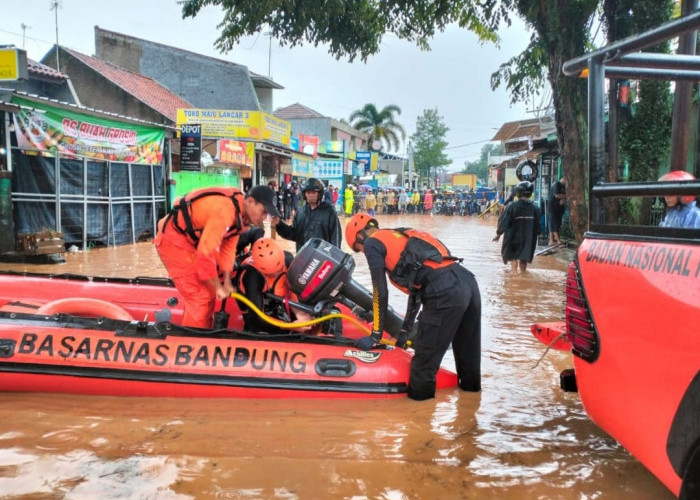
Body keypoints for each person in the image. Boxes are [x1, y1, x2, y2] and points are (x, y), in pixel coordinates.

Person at [345, 213, 482, 400]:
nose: (363, 252)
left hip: (445, 292)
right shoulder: (399, 236)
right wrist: (403, 335)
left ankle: (419, 423)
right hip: (467, 282)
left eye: (358, 249)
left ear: (360, 237)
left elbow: (379, 292)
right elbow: (417, 292)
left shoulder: (372, 243)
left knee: (422, 368)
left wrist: (375, 335)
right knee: (468, 361)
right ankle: (471, 409)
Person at [154, 185, 281, 328]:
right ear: (250, 202)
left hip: (191, 241)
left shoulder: (240, 216)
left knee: (207, 293)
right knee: (199, 297)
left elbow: (228, 248)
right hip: (174, 241)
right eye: (263, 212)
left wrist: (226, 280)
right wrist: (218, 287)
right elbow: (205, 254)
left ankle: (202, 333)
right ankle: (192, 344)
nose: (264, 218)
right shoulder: (226, 211)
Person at [235, 237, 312, 333]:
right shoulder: (252, 277)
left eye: (279, 270)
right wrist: (290, 326)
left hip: (279, 303)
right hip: (258, 314)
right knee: (255, 325)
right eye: (272, 274)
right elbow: (257, 317)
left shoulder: (288, 259)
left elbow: (292, 288)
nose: (276, 275)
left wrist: (298, 312)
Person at [275, 177, 342, 251]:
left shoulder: (329, 212)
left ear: (319, 194)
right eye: (308, 193)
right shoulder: (301, 212)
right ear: (304, 194)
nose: (310, 195)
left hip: (323, 259)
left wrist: (335, 258)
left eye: (313, 192)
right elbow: (294, 234)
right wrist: (279, 224)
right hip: (304, 258)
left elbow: (336, 238)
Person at [493, 181, 541, 273]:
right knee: (524, 259)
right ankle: (522, 277)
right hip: (528, 239)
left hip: (513, 237)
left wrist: (498, 234)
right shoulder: (535, 208)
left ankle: (514, 276)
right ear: (530, 193)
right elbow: (538, 228)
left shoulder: (512, 206)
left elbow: (504, 222)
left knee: (512, 257)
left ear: (517, 192)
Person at [547, 176, 567, 245]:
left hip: (559, 208)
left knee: (557, 224)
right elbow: (557, 195)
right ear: (564, 179)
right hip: (553, 208)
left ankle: (552, 240)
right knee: (553, 224)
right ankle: (557, 241)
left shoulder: (563, 186)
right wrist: (566, 196)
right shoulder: (557, 184)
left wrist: (564, 198)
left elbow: (562, 196)